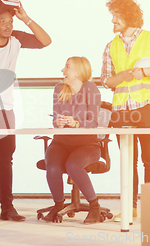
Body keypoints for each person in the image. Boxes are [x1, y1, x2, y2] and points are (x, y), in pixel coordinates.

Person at [0, 0, 52, 222]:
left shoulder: (16, 39)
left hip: (5, 109)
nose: (8, 25)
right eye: (2, 21)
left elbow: (45, 41)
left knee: (5, 159)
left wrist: (26, 19)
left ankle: (7, 209)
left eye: (11, 21)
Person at [101, 0, 150, 221]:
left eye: (116, 16)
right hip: (122, 111)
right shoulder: (110, 46)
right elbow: (105, 80)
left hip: (148, 108)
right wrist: (120, 77)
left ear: (128, 16)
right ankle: (129, 207)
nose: (112, 20)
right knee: (127, 161)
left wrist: (143, 72)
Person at [43, 56, 103, 224]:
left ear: (77, 72)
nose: (63, 70)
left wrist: (76, 123)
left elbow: (94, 121)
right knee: (53, 166)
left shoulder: (90, 89)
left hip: (87, 144)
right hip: (61, 142)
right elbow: (54, 117)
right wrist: (58, 122)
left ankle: (95, 207)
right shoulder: (59, 89)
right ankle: (58, 204)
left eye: (67, 67)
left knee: (73, 165)